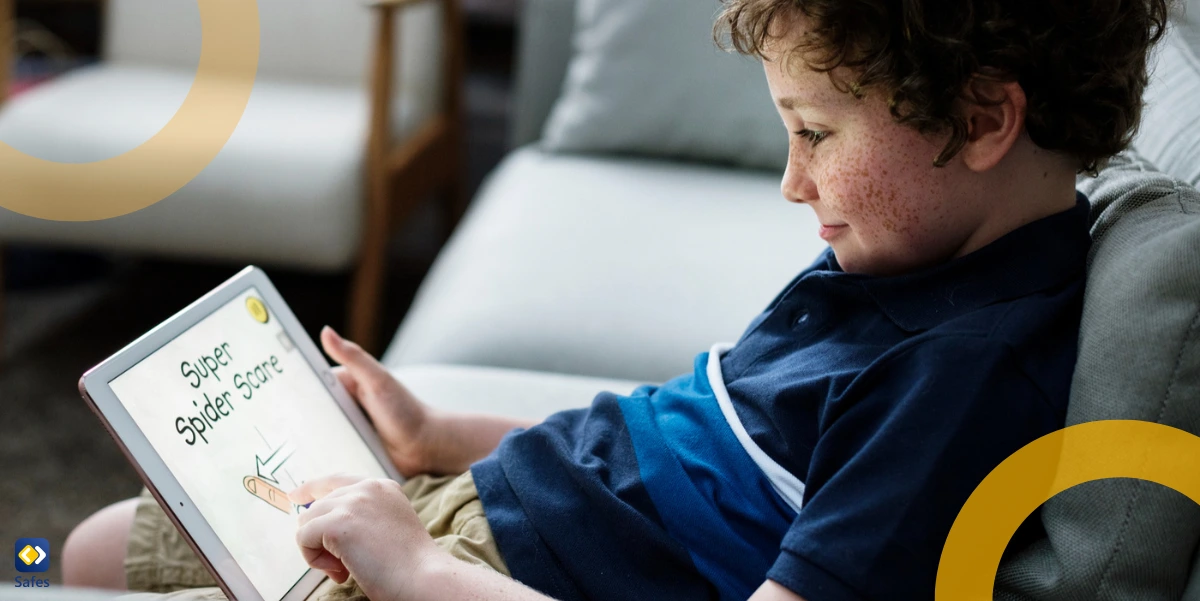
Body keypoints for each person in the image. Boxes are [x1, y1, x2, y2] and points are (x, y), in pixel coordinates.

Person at [62, 0, 1170, 599]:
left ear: (984, 120)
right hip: (490, 495)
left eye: (816, 135)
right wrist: (444, 432)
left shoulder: (954, 375)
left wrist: (416, 568)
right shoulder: (913, 256)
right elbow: (699, 450)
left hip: (487, 567)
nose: (794, 182)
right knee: (88, 547)